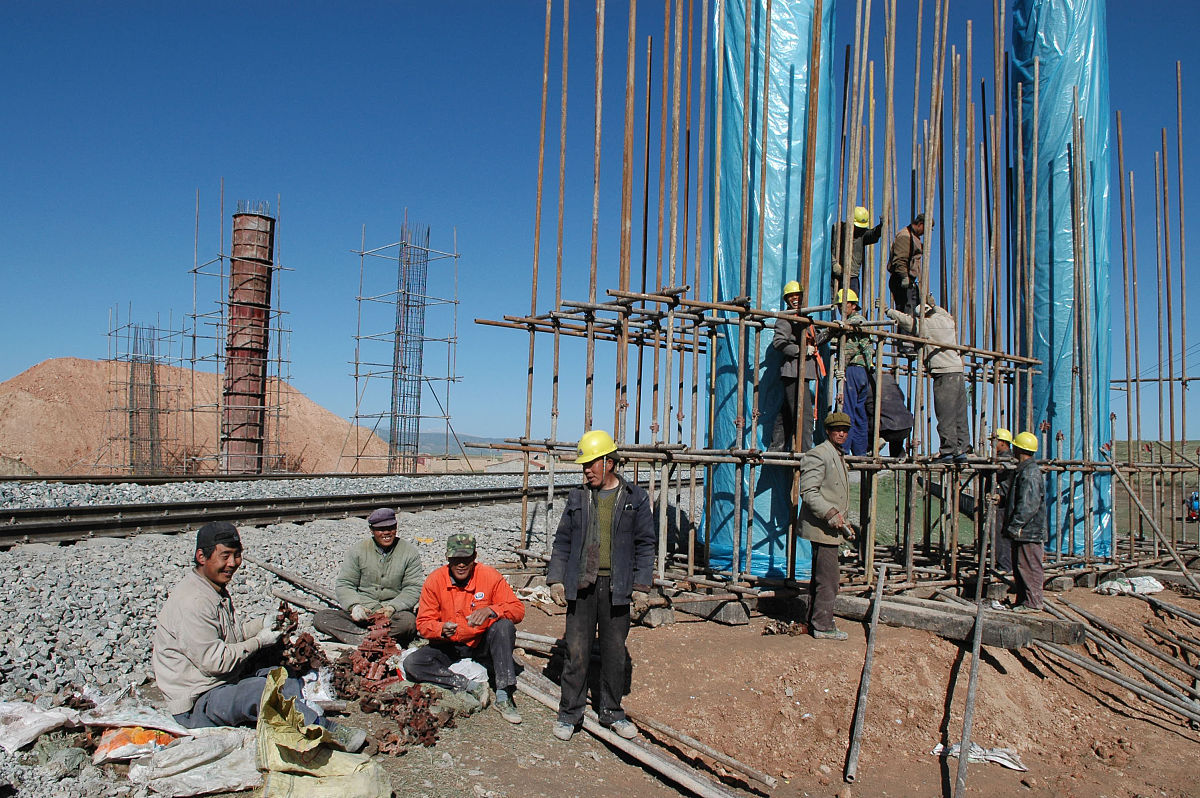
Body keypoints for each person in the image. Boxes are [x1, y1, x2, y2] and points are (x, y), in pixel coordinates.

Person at [151, 521, 366, 750]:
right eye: (225, 556)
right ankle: (322, 728)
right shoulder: (193, 601)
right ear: (201, 557)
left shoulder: (211, 588)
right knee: (260, 691)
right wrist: (258, 641)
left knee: (279, 672)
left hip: (218, 682)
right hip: (196, 702)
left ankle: (297, 709)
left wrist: (261, 625)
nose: (232, 564)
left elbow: (228, 637)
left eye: (237, 555)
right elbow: (215, 662)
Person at [547, 430, 656, 742]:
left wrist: (640, 586)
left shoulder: (636, 498)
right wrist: (556, 579)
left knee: (613, 653)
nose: (585, 470)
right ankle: (570, 713)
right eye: (584, 466)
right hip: (582, 585)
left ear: (608, 462)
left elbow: (645, 545)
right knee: (577, 651)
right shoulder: (578, 498)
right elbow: (563, 541)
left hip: (617, 587)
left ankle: (611, 711)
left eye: (590, 464)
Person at [406, 534, 526, 724]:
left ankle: (504, 695)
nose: (461, 565)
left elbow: (518, 610)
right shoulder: (435, 580)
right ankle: (468, 685)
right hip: (449, 644)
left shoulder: (489, 576)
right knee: (413, 664)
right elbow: (423, 623)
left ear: (474, 557)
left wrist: (491, 610)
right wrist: (440, 629)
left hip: (480, 643)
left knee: (504, 626)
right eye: (456, 560)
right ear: (448, 558)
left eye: (466, 559)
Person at [314, 507, 424, 645]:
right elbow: (345, 583)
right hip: (364, 612)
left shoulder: (409, 552)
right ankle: (370, 638)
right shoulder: (358, 550)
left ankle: (360, 638)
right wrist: (354, 606)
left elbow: (413, 587)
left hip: (393, 614)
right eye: (381, 529)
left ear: (396, 527)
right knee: (322, 618)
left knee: (408, 623)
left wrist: (393, 607)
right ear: (371, 530)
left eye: (391, 528)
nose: (386, 533)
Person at [886, 296, 971, 462]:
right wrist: (933, 304)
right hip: (958, 372)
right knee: (959, 414)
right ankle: (961, 450)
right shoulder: (947, 321)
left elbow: (907, 322)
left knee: (945, 414)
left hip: (944, 373)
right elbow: (944, 313)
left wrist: (889, 311)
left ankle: (947, 451)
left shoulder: (928, 325)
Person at [799, 412, 857, 640]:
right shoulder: (819, 454)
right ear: (828, 431)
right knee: (829, 579)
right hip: (822, 528)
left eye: (845, 430)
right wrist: (832, 514)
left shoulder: (836, 455)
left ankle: (814, 620)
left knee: (821, 577)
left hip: (830, 527)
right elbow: (809, 492)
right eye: (837, 430)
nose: (841, 433)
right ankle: (823, 626)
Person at [770, 280, 826, 452]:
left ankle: (776, 447)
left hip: (804, 371)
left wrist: (831, 331)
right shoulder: (786, 317)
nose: (795, 299)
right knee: (804, 416)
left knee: (787, 412)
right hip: (794, 371)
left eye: (797, 295)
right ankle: (805, 452)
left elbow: (814, 341)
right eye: (791, 296)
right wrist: (802, 350)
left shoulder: (805, 318)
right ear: (787, 299)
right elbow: (778, 342)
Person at [1001, 432, 1046, 612]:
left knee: (1030, 566)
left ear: (1019, 449)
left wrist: (1016, 525)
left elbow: (1029, 505)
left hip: (1029, 530)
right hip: (1025, 530)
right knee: (1021, 566)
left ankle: (1033, 604)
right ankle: (1023, 601)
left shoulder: (1030, 473)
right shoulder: (1025, 471)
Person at [835, 288, 874, 456]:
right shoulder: (863, 321)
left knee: (847, 411)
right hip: (864, 372)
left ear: (853, 305)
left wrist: (840, 368)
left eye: (843, 305)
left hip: (852, 370)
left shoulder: (854, 322)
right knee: (860, 414)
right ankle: (860, 451)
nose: (840, 309)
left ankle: (843, 447)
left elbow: (848, 350)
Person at [831, 206, 884, 296]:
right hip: (834, 275)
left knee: (851, 303)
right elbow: (828, 249)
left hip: (852, 277)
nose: (860, 230)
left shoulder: (862, 234)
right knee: (832, 303)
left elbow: (873, 234)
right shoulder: (837, 229)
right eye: (857, 227)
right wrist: (833, 263)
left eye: (862, 228)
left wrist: (881, 227)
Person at [865, 367, 915, 457]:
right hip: (906, 425)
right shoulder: (888, 377)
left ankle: (871, 448)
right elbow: (901, 397)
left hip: (884, 429)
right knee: (896, 420)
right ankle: (898, 454)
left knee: (859, 421)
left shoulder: (862, 381)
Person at [887, 214, 925, 315]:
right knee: (907, 313)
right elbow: (900, 259)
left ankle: (906, 331)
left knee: (911, 310)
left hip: (908, 280)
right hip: (901, 279)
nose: (924, 233)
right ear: (920, 224)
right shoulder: (905, 236)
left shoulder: (913, 236)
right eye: (925, 229)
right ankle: (904, 331)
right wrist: (904, 277)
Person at [991, 429, 1016, 574]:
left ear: (1003, 443)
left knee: (1000, 537)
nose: (992, 445)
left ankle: (1004, 568)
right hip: (1006, 502)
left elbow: (995, 473)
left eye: (995, 441)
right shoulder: (1005, 458)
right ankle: (1006, 566)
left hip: (1003, 503)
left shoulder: (1005, 460)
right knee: (1002, 537)